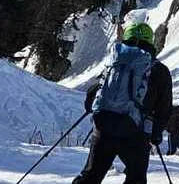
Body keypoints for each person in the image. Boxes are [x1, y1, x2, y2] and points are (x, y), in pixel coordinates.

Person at [72, 22, 173, 184]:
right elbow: (164, 108)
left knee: (91, 176)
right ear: (151, 41)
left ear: (126, 39)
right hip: (135, 133)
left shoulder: (115, 61)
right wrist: (156, 135)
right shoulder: (159, 70)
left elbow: (94, 93)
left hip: (104, 128)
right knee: (136, 179)